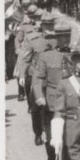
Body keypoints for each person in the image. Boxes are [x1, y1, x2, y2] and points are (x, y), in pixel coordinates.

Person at [32, 19, 73, 160]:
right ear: (56, 38)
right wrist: (39, 96)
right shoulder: (47, 56)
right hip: (52, 104)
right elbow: (37, 78)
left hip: (71, 103)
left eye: (68, 35)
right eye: (63, 36)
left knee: (71, 138)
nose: (66, 39)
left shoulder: (76, 54)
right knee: (51, 139)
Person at [17, 11, 55, 146]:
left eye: (51, 25)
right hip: (37, 79)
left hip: (55, 79)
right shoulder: (33, 40)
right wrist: (22, 74)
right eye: (46, 25)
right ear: (42, 26)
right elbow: (25, 58)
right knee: (35, 109)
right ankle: (38, 133)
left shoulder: (60, 39)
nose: (49, 27)